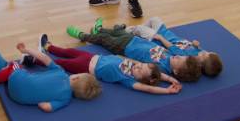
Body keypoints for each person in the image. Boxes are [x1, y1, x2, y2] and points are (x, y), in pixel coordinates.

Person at [38, 34, 181, 95]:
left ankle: (36, 59)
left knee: (61, 63)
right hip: (92, 56)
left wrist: (167, 90)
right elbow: (156, 74)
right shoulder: (137, 65)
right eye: (141, 65)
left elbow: (149, 89)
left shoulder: (129, 80)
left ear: (142, 79)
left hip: (86, 67)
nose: (137, 66)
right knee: (68, 51)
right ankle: (48, 47)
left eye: (140, 70)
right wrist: (170, 79)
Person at [67, 22, 202, 82]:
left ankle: (82, 36)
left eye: (179, 60)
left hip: (125, 49)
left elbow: (158, 75)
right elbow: (189, 54)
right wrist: (197, 48)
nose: (178, 56)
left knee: (104, 39)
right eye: (180, 57)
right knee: (117, 32)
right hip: (133, 39)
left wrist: (172, 80)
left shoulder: (162, 69)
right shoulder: (173, 55)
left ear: (176, 71)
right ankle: (100, 29)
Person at [4, 42, 102, 112]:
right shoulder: (66, 99)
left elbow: (44, 58)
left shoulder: (60, 72)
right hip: (18, 98)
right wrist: (40, 99)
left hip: (15, 79)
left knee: (17, 67)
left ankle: (12, 67)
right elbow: (46, 107)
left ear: (75, 77)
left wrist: (26, 50)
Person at [127, 17, 223, 77]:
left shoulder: (186, 57)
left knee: (140, 28)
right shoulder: (200, 53)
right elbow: (199, 51)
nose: (204, 51)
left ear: (200, 64)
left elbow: (170, 47)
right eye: (208, 52)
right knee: (154, 19)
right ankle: (138, 32)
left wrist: (160, 38)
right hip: (165, 32)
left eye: (204, 55)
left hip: (159, 37)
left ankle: (131, 31)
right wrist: (195, 45)